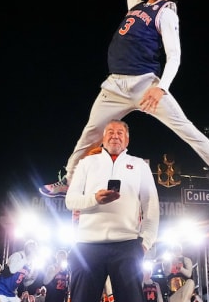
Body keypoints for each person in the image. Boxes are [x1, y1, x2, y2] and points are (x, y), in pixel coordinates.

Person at [40, 0, 209, 205]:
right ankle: (68, 181)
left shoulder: (167, 12)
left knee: (189, 132)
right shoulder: (138, 6)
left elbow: (175, 56)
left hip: (145, 85)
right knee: (89, 135)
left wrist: (161, 88)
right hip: (114, 86)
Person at [64, 119, 160, 302]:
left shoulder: (139, 165)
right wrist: (95, 198)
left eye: (120, 133)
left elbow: (151, 206)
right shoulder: (86, 163)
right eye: (110, 132)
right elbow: (70, 200)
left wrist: (145, 242)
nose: (115, 136)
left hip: (127, 245)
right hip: (87, 244)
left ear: (127, 140)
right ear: (103, 137)